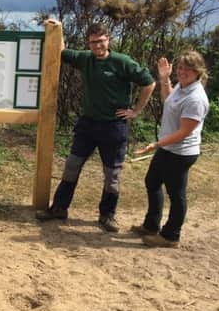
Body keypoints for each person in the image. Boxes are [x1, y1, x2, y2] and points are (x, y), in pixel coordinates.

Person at [36, 22, 156, 232]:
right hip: (88, 125)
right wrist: (59, 28)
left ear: (108, 40)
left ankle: (107, 215)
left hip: (113, 127)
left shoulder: (122, 62)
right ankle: (59, 208)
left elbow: (149, 82)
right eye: (93, 42)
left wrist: (135, 111)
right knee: (72, 167)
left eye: (100, 41)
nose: (97, 46)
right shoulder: (85, 59)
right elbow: (61, 51)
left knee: (112, 175)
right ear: (89, 43)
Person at [131, 51, 209, 248]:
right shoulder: (183, 88)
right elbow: (169, 100)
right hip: (168, 148)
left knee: (176, 194)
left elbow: (184, 132)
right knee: (152, 181)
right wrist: (164, 79)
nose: (182, 71)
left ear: (198, 72)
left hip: (181, 153)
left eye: (188, 69)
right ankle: (151, 225)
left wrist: (157, 144)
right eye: (181, 67)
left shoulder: (196, 98)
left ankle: (171, 236)